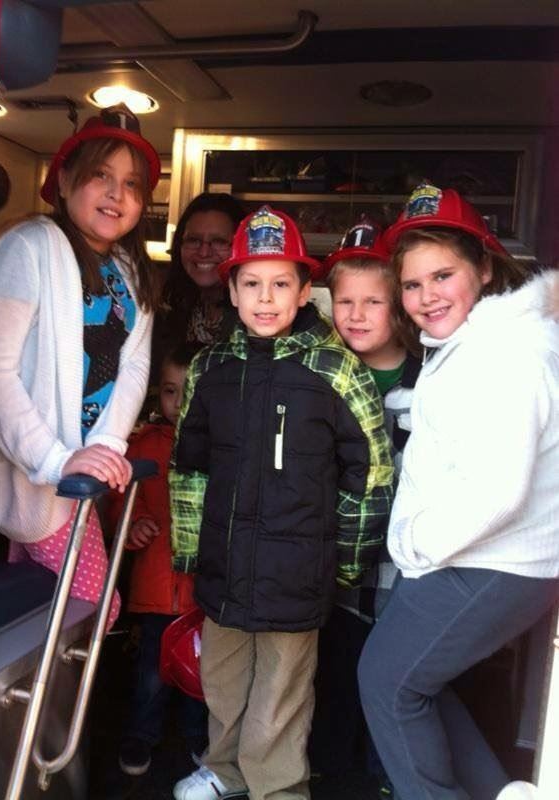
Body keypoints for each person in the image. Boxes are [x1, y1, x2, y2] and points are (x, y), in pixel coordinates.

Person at [169, 205, 394, 800]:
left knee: (281, 694)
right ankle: (223, 769)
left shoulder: (337, 370)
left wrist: (342, 563)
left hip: (298, 574)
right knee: (221, 681)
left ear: (303, 293)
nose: (265, 298)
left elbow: (369, 476)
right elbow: (188, 467)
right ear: (233, 290)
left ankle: (278, 789)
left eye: (280, 284)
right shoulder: (209, 369)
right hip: (223, 564)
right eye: (251, 284)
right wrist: (190, 552)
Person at [357, 183, 559, 800]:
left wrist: (416, 546)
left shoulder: (504, 351)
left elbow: (500, 490)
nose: (426, 297)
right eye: (412, 285)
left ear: (484, 268)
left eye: (443, 275)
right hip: (491, 557)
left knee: (387, 682)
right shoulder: (471, 345)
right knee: (414, 683)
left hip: (500, 559)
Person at [0, 104, 161, 627]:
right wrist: (56, 460)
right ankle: (41, 706)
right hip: (37, 471)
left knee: (39, 604)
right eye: (101, 175)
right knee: (96, 608)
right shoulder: (27, 246)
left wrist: (104, 447)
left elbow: (133, 371)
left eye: (131, 184)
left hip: (82, 475)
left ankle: (32, 707)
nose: (116, 194)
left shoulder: (129, 269)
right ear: (65, 179)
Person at [308, 220, 421, 793]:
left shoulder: (430, 381)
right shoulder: (325, 377)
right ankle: (331, 766)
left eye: (372, 301)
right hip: (339, 563)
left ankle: (387, 775)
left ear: (399, 304)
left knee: (396, 677)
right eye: (343, 300)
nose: (355, 314)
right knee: (335, 668)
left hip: (406, 565)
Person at [111, 343, 207, 776]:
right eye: (170, 391)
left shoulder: (223, 447)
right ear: (156, 394)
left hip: (205, 591)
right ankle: (140, 735)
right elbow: (120, 501)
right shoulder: (144, 445)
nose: (180, 402)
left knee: (200, 672)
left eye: (191, 391)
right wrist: (133, 526)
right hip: (155, 585)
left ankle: (199, 739)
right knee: (150, 671)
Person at [158, 192, 246, 347]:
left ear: (242, 247)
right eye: (193, 240)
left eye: (219, 242)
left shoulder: (256, 316)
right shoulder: (173, 307)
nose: (204, 252)